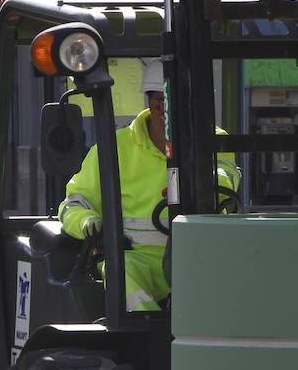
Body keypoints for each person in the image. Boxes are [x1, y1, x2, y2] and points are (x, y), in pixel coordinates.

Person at [58, 59, 239, 311]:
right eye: (161, 101)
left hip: (201, 256)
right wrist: (88, 222)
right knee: (120, 268)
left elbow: (225, 179)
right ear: (153, 102)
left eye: (176, 103)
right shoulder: (113, 148)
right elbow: (75, 203)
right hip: (138, 260)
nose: (167, 110)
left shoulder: (213, 141)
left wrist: (205, 184)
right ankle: (154, 338)